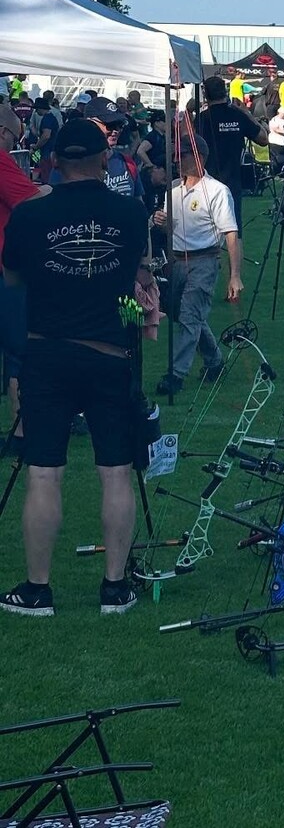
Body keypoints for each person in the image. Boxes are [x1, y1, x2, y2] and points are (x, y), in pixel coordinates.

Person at [0, 120, 149, 616]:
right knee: (116, 472)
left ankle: (37, 588)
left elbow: (13, 276)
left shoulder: (30, 214)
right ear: (104, 159)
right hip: (108, 353)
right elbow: (132, 271)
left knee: (44, 473)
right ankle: (115, 587)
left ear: (55, 162)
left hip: (47, 353)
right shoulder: (130, 212)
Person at [153, 135, 242, 396]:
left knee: (190, 315)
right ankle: (214, 360)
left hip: (204, 260)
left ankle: (176, 374)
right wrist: (161, 223)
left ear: (199, 157)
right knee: (182, 313)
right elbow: (170, 230)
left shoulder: (217, 191)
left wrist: (234, 275)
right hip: (177, 261)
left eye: (182, 156)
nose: (176, 160)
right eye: (176, 156)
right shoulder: (173, 189)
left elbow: (231, 233)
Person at [0, 104, 50, 448]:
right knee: (19, 349)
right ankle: (20, 431)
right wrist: (59, 191)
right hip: (5, 271)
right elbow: (29, 199)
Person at [195, 75, 268, 233]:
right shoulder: (238, 115)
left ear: (205, 94)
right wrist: (247, 113)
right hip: (232, 179)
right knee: (233, 230)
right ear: (225, 92)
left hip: (206, 179)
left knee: (205, 229)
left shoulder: (201, 119)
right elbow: (263, 139)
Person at [135, 109, 169, 212]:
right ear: (157, 123)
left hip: (160, 172)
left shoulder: (162, 137)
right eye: (164, 121)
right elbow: (140, 151)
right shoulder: (153, 136)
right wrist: (150, 165)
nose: (166, 123)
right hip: (152, 174)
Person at [29, 98, 59, 183]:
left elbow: (46, 136)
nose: (36, 111)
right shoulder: (51, 117)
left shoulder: (47, 119)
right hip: (50, 150)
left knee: (46, 177)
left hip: (48, 151)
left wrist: (36, 147)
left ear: (40, 108)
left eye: (36, 109)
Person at [267, 105, 284, 175]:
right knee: (275, 160)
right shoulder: (274, 120)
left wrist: (283, 132)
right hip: (275, 143)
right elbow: (274, 129)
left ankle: (283, 173)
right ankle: (274, 173)